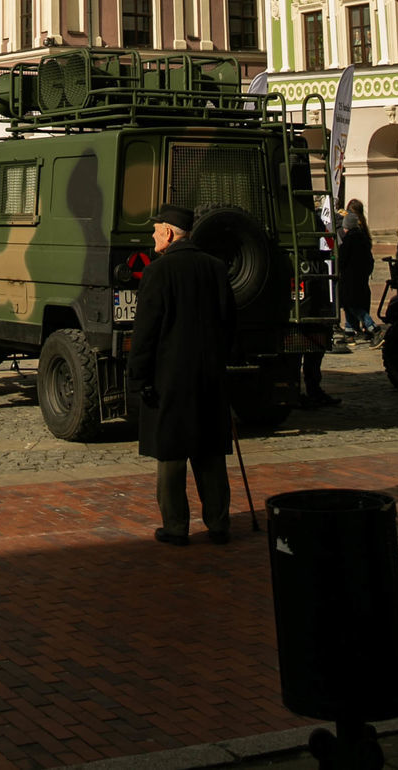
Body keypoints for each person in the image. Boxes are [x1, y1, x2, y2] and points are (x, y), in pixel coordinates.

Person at [127, 203, 236, 546]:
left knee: (171, 453)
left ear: (170, 234)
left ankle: (176, 526)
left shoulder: (160, 271)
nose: (153, 236)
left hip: (169, 376)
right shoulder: (215, 267)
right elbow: (229, 322)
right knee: (209, 452)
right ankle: (218, 522)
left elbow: (145, 330)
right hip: (209, 374)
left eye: (157, 230)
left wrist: (139, 377)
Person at [338, 212, 379, 339]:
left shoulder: (348, 241)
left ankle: (372, 326)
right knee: (350, 304)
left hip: (349, 279)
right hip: (361, 279)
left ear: (347, 227)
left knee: (352, 304)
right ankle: (349, 330)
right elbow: (370, 261)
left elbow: (342, 260)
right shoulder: (363, 239)